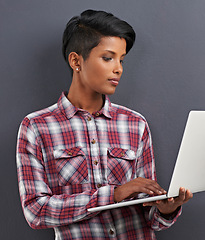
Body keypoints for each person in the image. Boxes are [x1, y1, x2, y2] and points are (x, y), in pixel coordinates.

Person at [16, 9, 192, 240]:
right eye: (108, 58)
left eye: (122, 59)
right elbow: (35, 211)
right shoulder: (36, 127)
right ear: (76, 61)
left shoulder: (135, 124)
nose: (118, 68)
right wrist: (113, 195)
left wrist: (165, 209)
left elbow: (150, 217)